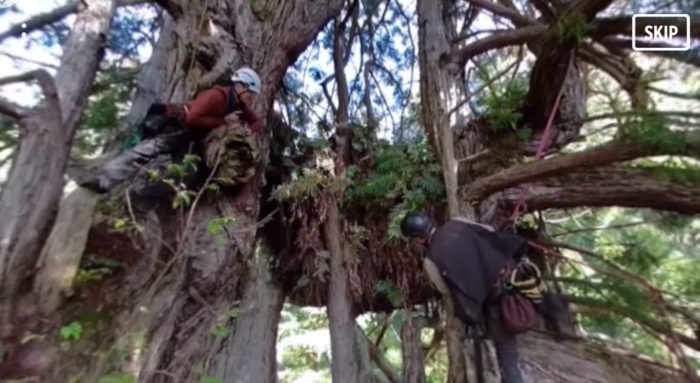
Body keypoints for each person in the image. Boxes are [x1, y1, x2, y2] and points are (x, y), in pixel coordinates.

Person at [81, 67, 263, 194]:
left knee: (187, 175)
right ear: (240, 87)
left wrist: (249, 132)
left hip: (190, 137)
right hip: (177, 127)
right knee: (143, 152)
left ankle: (143, 194)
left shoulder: (237, 104)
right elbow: (193, 117)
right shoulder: (217, 96)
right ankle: (102, 180)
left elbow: (256, 122)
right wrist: (223, 122)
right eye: (251, 93)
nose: (253, 98)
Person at [400, 212, 527, 383]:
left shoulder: (430, 262)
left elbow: (445, 290)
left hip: (493, 301)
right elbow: (488, 231)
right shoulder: (457, 223)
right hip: (513, 275)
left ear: (417, 239)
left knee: (506, 356)